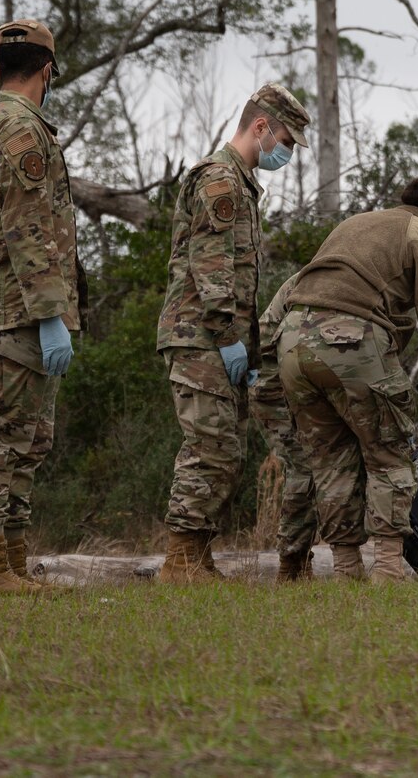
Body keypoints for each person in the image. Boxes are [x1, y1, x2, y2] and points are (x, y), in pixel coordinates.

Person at [276, 179, 418, 582]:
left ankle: (346, 569)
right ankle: (388, 570)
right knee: (389, 454)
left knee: (331, 462)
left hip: (292, 344)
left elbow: (298, 287)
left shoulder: (357, 223)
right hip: (349, 340)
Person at [155, 83, 311, 582]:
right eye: (285, 139)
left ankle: (196, 555)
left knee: (226, 449)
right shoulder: (220, 180)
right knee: (210, 447)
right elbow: (212, 266)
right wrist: (226, 336)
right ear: (260, 127)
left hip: (216, 337)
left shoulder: (239, 183)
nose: (285, 152)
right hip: (200, 336)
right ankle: (180, 559)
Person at [0, 19, 79, 595]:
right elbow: (26, 226)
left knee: (26, 441)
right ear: (48, 69)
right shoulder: (18, 130)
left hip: (17, 310)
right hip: (17, 313)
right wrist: (51, 312)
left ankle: (9, 560)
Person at [251, 273, 318, 582]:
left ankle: (301, 559)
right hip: (270, 377)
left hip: (297, 375)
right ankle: (291, 565)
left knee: (320, 463)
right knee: (304, 466)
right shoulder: (318, 278)